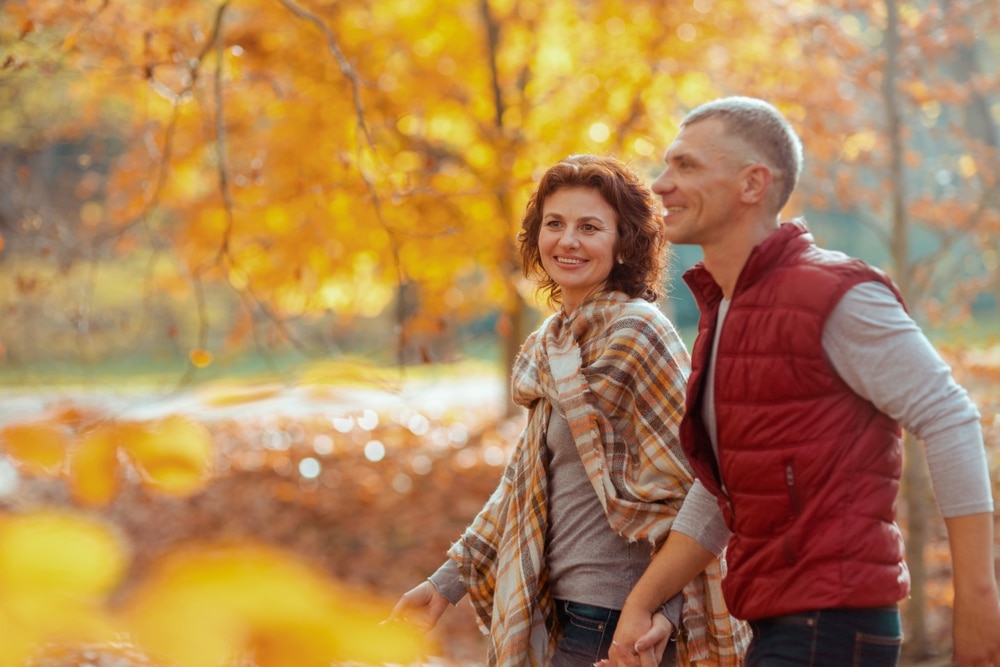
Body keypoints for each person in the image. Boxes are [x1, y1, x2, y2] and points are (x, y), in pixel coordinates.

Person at [601, 96, 1000, 667]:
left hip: (831, 624)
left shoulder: (833, 293)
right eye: (666, 165)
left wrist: (978, 600)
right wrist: (643, 602)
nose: (661, 184)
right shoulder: (725, 310)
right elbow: (725, 489)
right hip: (779, 624)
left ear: (752, 184)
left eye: (686, 166)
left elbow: (949, 416)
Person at [388, 154, 750, 666]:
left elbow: (706, 482)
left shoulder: (637, 332)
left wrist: (655, 610)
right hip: (561, 611)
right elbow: (526, 484)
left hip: (616, 621)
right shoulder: (553, 342)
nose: (568, 240)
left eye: (590, 227)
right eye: (554, 224)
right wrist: (445, 585)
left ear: (625, 243)